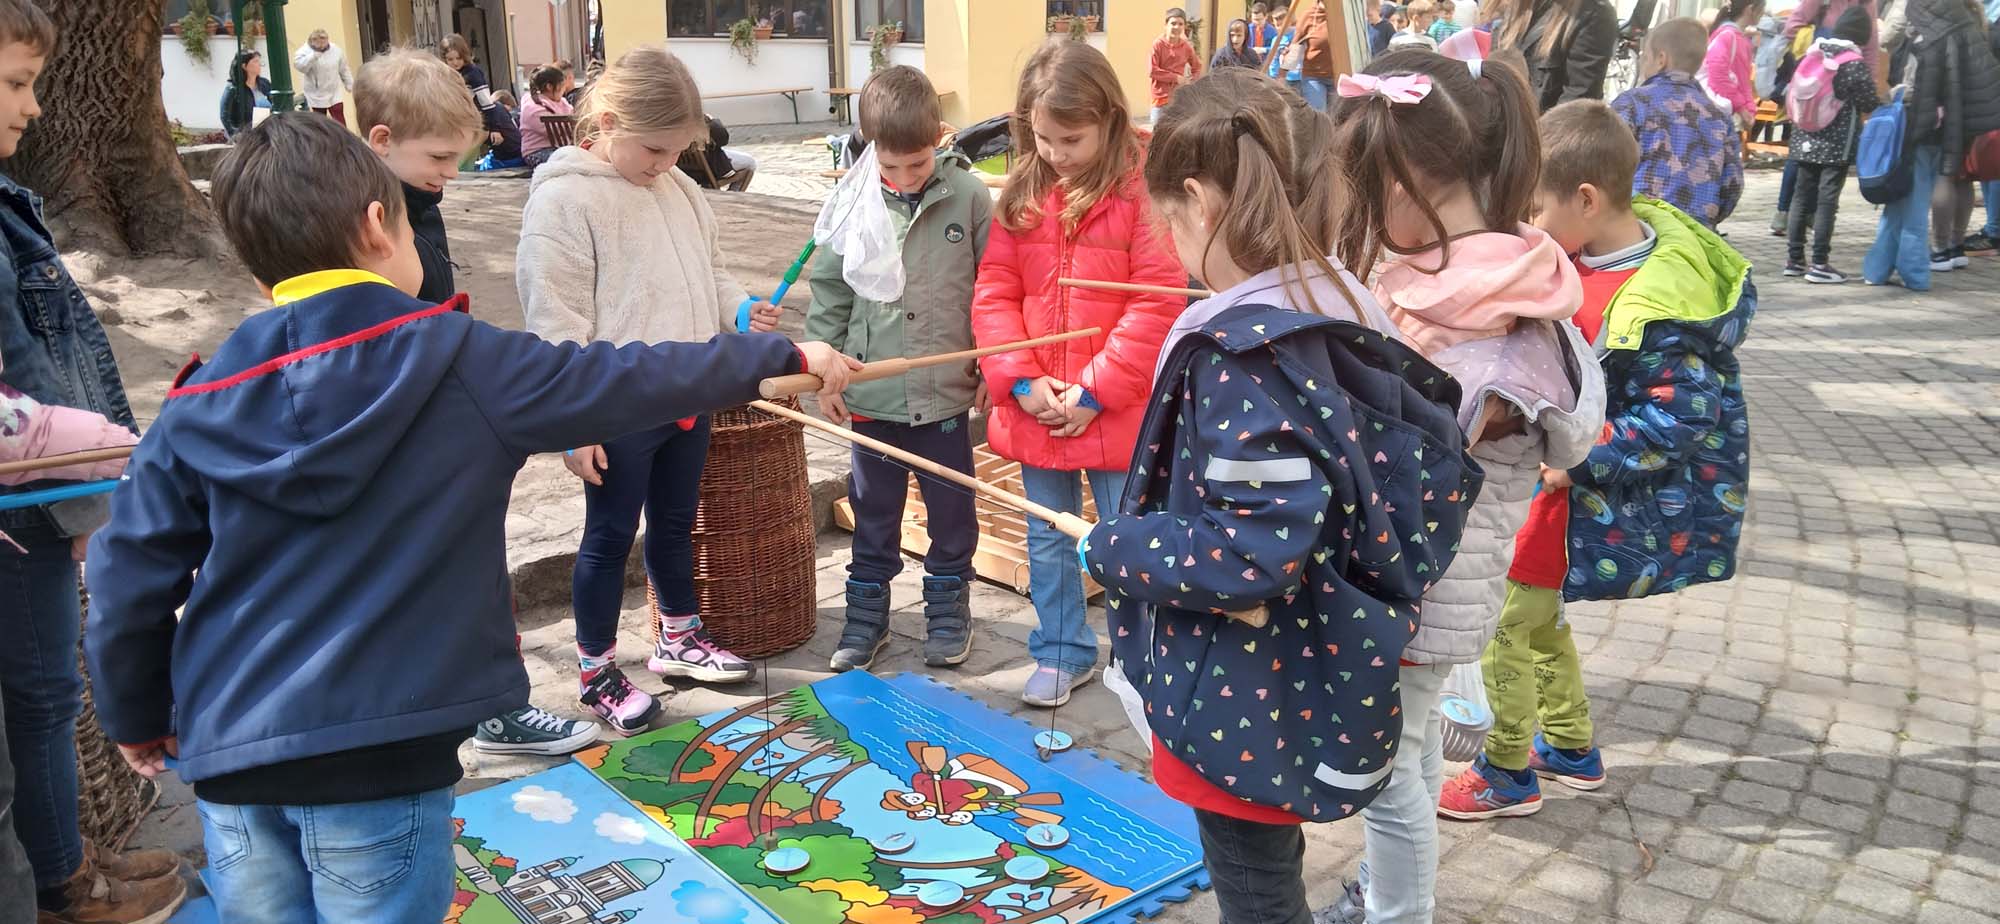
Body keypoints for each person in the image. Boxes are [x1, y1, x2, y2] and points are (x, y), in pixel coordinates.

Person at [85, 112, 855, 924]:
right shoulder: (462, 359)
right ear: (378, 225)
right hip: (380, 759)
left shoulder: (198, 397)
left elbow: (126, 576)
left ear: (254, 265)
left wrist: (134, 712)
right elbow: (629, 377)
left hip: (231, 753)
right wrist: (783, 356)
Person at [1087, 67, 1479, 924]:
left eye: (1169, 222)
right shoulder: (1346, 307)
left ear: (1198, 202)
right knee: (1267, 865)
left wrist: (1108, 545)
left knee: (1256, 890)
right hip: (1299, 667)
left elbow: (1247, 552)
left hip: (1241, 687)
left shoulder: (1244, 355)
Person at [1323, 50, 1604, 924]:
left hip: (1418, 586)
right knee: (1401, 756)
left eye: (1365, 194)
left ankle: (1398, 911)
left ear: (1403, 183)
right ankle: (1389, 892)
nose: (1362, 219)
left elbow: (1405, 464)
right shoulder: (1489, 274)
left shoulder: (1479, 316)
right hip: (1423, 578)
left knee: (1386, 773)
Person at [1440, 99, 1753, 821]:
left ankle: (1505, 771)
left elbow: (1680, 417)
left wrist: (1579, 457)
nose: (1527, 225)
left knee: (1502, 628)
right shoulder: (1579, 259)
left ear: (1586, 199)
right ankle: (1571, 748)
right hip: (1539, 493)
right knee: (1540, 623)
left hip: (1563, 495)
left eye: (1536, 208)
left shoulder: (1658, 300)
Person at [517, 47, 782, 736]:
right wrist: (574, 422)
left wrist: (739, 310)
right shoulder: (564, 201)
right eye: (656, 149)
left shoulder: (682, 189)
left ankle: (678, 636)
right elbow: (555, 323)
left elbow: (711, 271)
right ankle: (596, 670)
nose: (666, 164)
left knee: (676, 523)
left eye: (678, 151)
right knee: (609, 537)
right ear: (607, 122)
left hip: (685, 399)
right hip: (615, 408)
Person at [0, 6, 191, 920]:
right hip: (30, 510)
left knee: (46, 700)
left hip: (46, 499)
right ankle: (65, 886)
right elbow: (28, 389)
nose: (33, 107)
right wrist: (90, 502)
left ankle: (63, 863)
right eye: (14, 83)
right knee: (44, 699)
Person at [354, 48, 599, 757]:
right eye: (439, 157)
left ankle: (491, 708)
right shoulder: (366, 218)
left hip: (439, 423)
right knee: (439, 583)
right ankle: (466, 713)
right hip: (404, 433)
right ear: (381, 141)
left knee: (476, 573)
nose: (452, 173)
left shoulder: (415, 199)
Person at [972, 40, 1180, 708]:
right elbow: (995, 291)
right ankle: (1062, 650)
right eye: (1043, 138)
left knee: (1125, 536)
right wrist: (1023, 382)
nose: (1056, 154)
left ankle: (1140, 658)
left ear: (1110, 119)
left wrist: (1095, 389)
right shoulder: (1026, 188)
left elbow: (1157, 301)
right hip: (1037, 402)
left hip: (1116, 406)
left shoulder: (1145, 187)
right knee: (1047, 535)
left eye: (1071, 140)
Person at [809, 66, 992, 673]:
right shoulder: (850, 199)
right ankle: (866, 616)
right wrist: (823, 369)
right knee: (873, 512)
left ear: (939, 137)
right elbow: (831, 291)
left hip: (945, 394)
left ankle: (948, 610)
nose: (907, 177)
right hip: (872, 393)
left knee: (953, 514)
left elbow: (991, 289)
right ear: (869, 146)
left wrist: (992, 363)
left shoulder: (970, 196)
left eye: (918, 163)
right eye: (892, 165)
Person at [1864, 0, 2000, 287]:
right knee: (1912, 196)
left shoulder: (1919, 23)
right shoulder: (1962, 20)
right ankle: (1896, 270)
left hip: (1917, 122)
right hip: (1947, 123)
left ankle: (1900, 271)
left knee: (1906, 202)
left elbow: (1890, 44)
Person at [1612, 17, 1746, 228]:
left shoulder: (1632, 104)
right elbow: (1732, 185)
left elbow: (1604, 163)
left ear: (1661, 59)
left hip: (1638, 228)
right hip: (1695, 232)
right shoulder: (1719, 117)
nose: (1643, 63)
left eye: (1645, 57)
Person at [1781, 6, 1879, 281]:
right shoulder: (1853, 63)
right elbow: (1868, 102)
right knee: (1827, 202)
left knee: (1800, 198)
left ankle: (1794, 260)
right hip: (1836, 144)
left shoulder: (1813, 54)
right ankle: (1820, 263)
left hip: (1803, 138)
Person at [1924, 0, 2000, 270]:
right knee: (1965, 179)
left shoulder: (1945, 33)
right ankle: (1957, 246)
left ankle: (1940, 249)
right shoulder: (1982, 30)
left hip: (1949, 113)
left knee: (1945, 177)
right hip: (1976, 115)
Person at [1484, 0, 1621, 110]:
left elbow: (1575, 104)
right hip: (1498, 125)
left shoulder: (1594, 14)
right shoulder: (1515, 6)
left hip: (1541, 132)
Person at [440, 33, 510, 160]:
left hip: (474, 123)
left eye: (458, 58)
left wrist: (494, 128)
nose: (455, 63)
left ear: (465, 56)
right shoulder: (445, 74)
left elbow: (487, 103)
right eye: (450, 59)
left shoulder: (473, 74)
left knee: (462, 161)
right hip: (454, 123)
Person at [1703, 0, 1766, 127]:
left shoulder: (1734, 37)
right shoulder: (1728, 36)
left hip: (1726, 112)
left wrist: (1748, 108)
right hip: (1718, 115)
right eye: (1762, 10)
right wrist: (1743, 108)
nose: (1763, 14)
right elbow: (1718, 76)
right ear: (1750, 9)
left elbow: (1743, 80)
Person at [1148, 7, 1204, 122]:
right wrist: (1176, 78)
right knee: (1157, 130)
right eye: (1173, 23)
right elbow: (1152, 71)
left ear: (1184, 26)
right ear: (1166, 25)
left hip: (1178, 99)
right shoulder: (1158, 45)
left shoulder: (1186, 47)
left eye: (1180, 24)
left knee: (1177, 130)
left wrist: (1190, 82)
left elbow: (1197, 67)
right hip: (1160, 100)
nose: (1177, 27)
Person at [677, 115, 757, 192]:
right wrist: (712, 120)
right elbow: (723, 139)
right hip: (710, 167)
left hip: (685, 169)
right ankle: (732, 194)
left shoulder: (673, 121)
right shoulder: (699, 119)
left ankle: (730, 193)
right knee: (750, 163)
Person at [292, 28, 353, 125]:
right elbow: (300, 67)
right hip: (316, 92)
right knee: (320, 121)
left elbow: (343, 68)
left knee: (339, 117)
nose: (322, 46)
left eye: (324, 43)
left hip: (334, 90)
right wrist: (313, 56)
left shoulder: (336, 50)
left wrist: (349, 84)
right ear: (312, 42)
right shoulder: (304, 51)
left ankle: (341, 134)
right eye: (319, 44)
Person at [521, 65, 573, 168]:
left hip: (562, 149)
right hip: (537, 151)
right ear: (549, 87)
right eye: (562, 85)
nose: (564, 89)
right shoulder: (532, 107)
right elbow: (557, 130)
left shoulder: (562, 101)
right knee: (567, 162)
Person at [1294, 0, 1342, 108]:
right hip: (1315, 76)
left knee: (1339, 114)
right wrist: (1282, 75)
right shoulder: (1308, 16)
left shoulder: (1344, 14)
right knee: (1318, 113)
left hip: (1341, 76)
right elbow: (1295, 46)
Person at [220, 48, 270, 141]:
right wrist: (235, 135)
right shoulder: (233, 89)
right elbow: (225, 116)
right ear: (244, 66)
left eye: (259, 61)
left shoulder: (265, 84)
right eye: (255, 61)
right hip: (244, 138)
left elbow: (274, 104)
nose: (259, 65)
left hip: (264, 134)